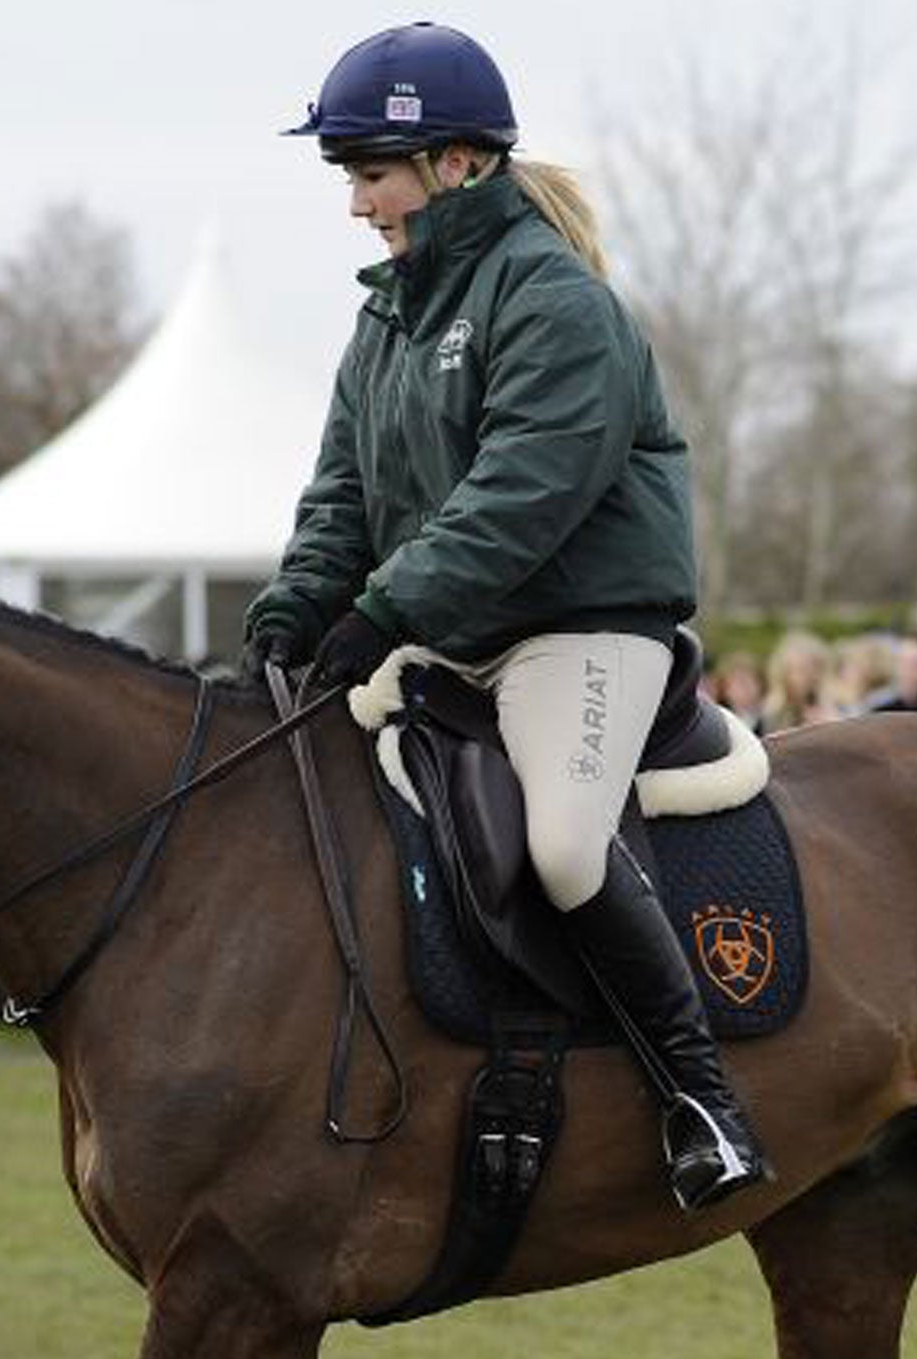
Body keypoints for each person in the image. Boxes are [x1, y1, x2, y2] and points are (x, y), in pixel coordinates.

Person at [240, 23, 764, 1209]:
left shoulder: (556, 302)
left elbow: (521, 494)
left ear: (456, 163)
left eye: (371, 170)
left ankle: (702, 1102)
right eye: (350, 175)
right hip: (455, 630)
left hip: (579, 628)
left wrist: (381, 610)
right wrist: (292, 612)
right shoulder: (384, 320)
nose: (357, 202)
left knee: (564, 845)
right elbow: (340, 497)